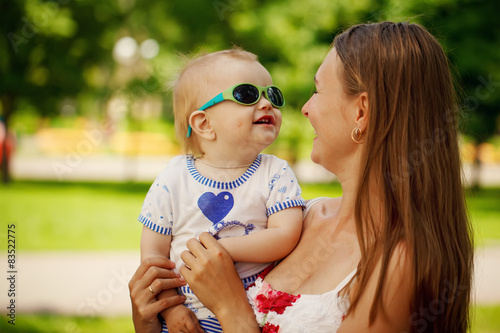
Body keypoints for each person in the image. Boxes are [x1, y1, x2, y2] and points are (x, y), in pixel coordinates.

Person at [130, 21, 474, 333]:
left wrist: (230, 309)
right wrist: (147, 320)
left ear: (361, 111)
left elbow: (233, 307)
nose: (304, 108)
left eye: (318, 90)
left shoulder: (398, 265)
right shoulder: (302, 218)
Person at [137, 49, 305, 333]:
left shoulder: (275, 173)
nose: (267, 104)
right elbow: (154, 257)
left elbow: (285, 235)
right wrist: (171, 307)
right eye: (246, 94)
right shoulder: (173, 178)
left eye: (273, 95)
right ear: (204, 124)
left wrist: (220, 251)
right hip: (183, 317)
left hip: (250, 314)